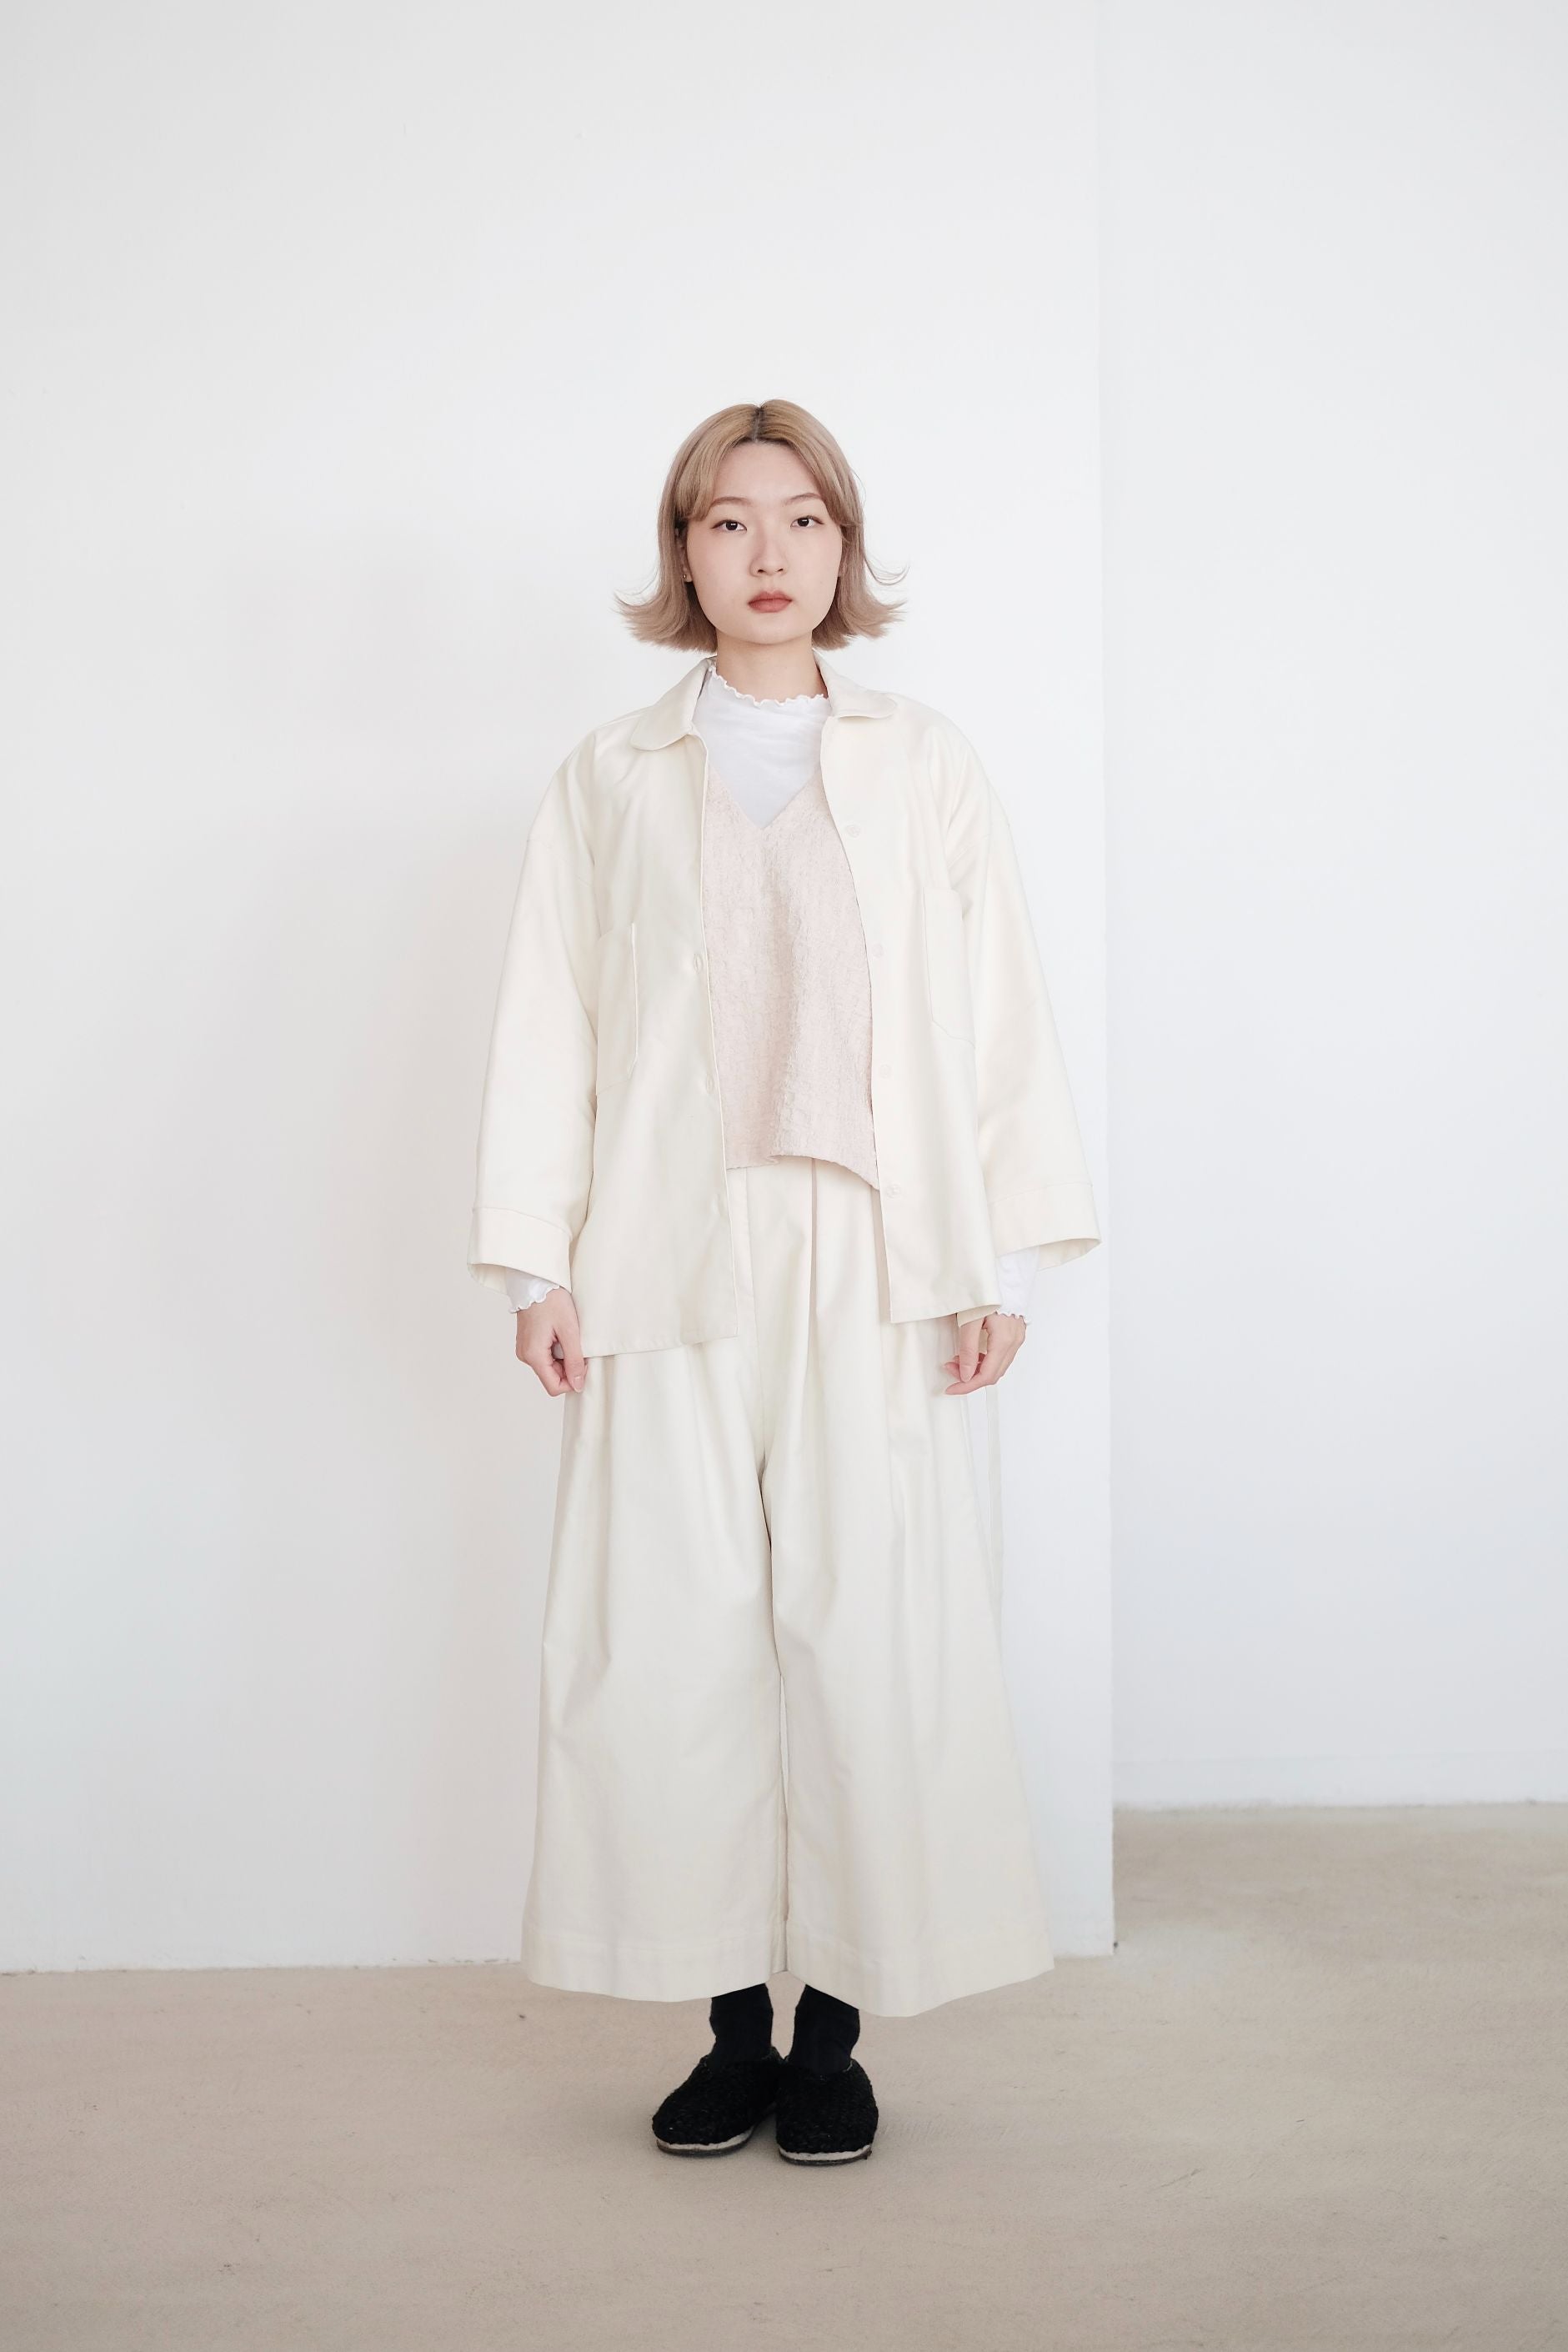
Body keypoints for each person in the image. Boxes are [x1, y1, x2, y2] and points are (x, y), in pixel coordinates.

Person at [467, 399, 1100, 2165]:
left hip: (872, 1246)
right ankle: (729, 2028)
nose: (767, 553)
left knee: (867, 1628)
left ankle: (834, 2035)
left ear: (844, 548)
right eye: (729, 520)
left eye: (803, 519)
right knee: (668, 1639)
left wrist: (999, 1257)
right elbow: (549, 1022)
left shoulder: (922, 763)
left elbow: (996, 1016)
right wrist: (533, 1263)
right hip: (660, 1244)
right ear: (684, 550)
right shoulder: (610, 777)